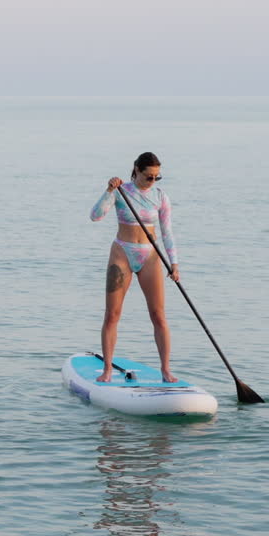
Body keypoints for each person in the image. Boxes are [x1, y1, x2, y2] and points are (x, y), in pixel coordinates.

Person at [89, 152, 179, 383]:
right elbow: (95, 216)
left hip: (149, 256)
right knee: (112, 314)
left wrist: (174, 263)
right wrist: (109, 190)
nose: (152, 181)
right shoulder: (121, 192)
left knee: (158, 315)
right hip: (122, 253)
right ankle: (107, 370)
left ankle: (166, 370)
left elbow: (167, 233)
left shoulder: (160, 197)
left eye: (156, 177)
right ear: (136, 170)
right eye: (148, 176)